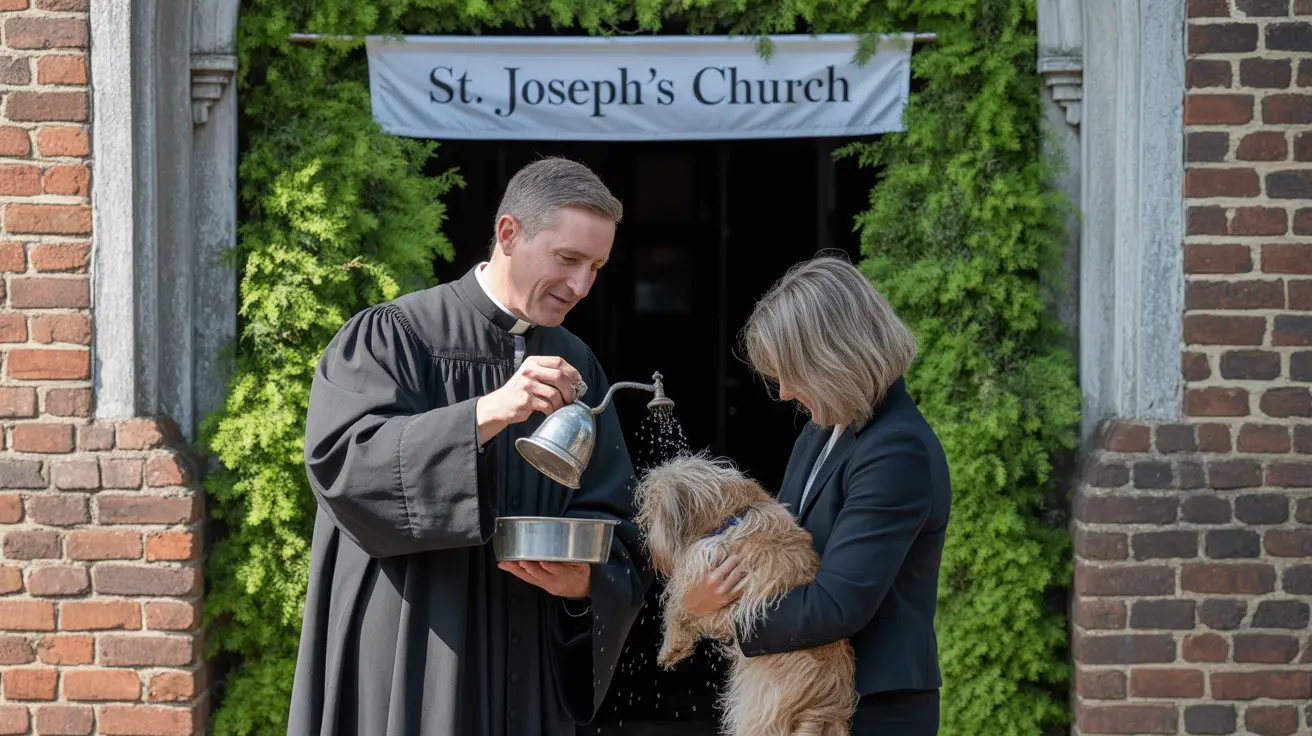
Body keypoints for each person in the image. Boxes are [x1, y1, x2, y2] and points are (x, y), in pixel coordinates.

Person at [287, 157, 653, 735]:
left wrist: (587, 581)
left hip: (529, 665)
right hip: (416, 653)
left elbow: (619, 521)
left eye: (597, 267)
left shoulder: (578, 364)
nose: (582, 286)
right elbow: (344, 466)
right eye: (568, 259)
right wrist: (487, 412)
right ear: (508, 233)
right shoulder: (394, 336)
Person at [683, 256, 951, 734]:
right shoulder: (823, 429)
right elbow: (783, 551)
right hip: (810, 699)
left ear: (835, 359)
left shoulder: (895, 450)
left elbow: (835, 606)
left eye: (792, 373)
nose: (783, 392)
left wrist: (712, 614)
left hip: (867, 709)